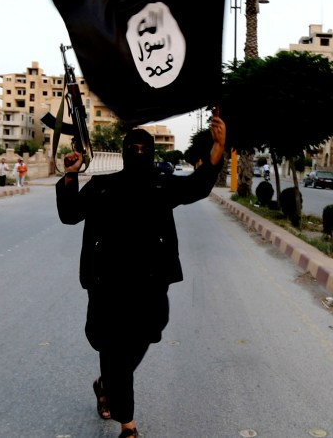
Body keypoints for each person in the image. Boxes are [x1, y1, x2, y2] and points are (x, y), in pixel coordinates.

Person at [56, 116, 226, 438]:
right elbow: (69, 215)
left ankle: (108, 383)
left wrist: (218, 147)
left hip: (150, 283)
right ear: (123, 152)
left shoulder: (161, 185)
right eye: (132, 148)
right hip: (107, 284)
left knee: (147, 334)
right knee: (114, 350)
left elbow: (198, 186)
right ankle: (128, 425)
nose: (138, 153)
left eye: (143, 148)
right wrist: (70, 174)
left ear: (150, 152)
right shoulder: (103, 185)